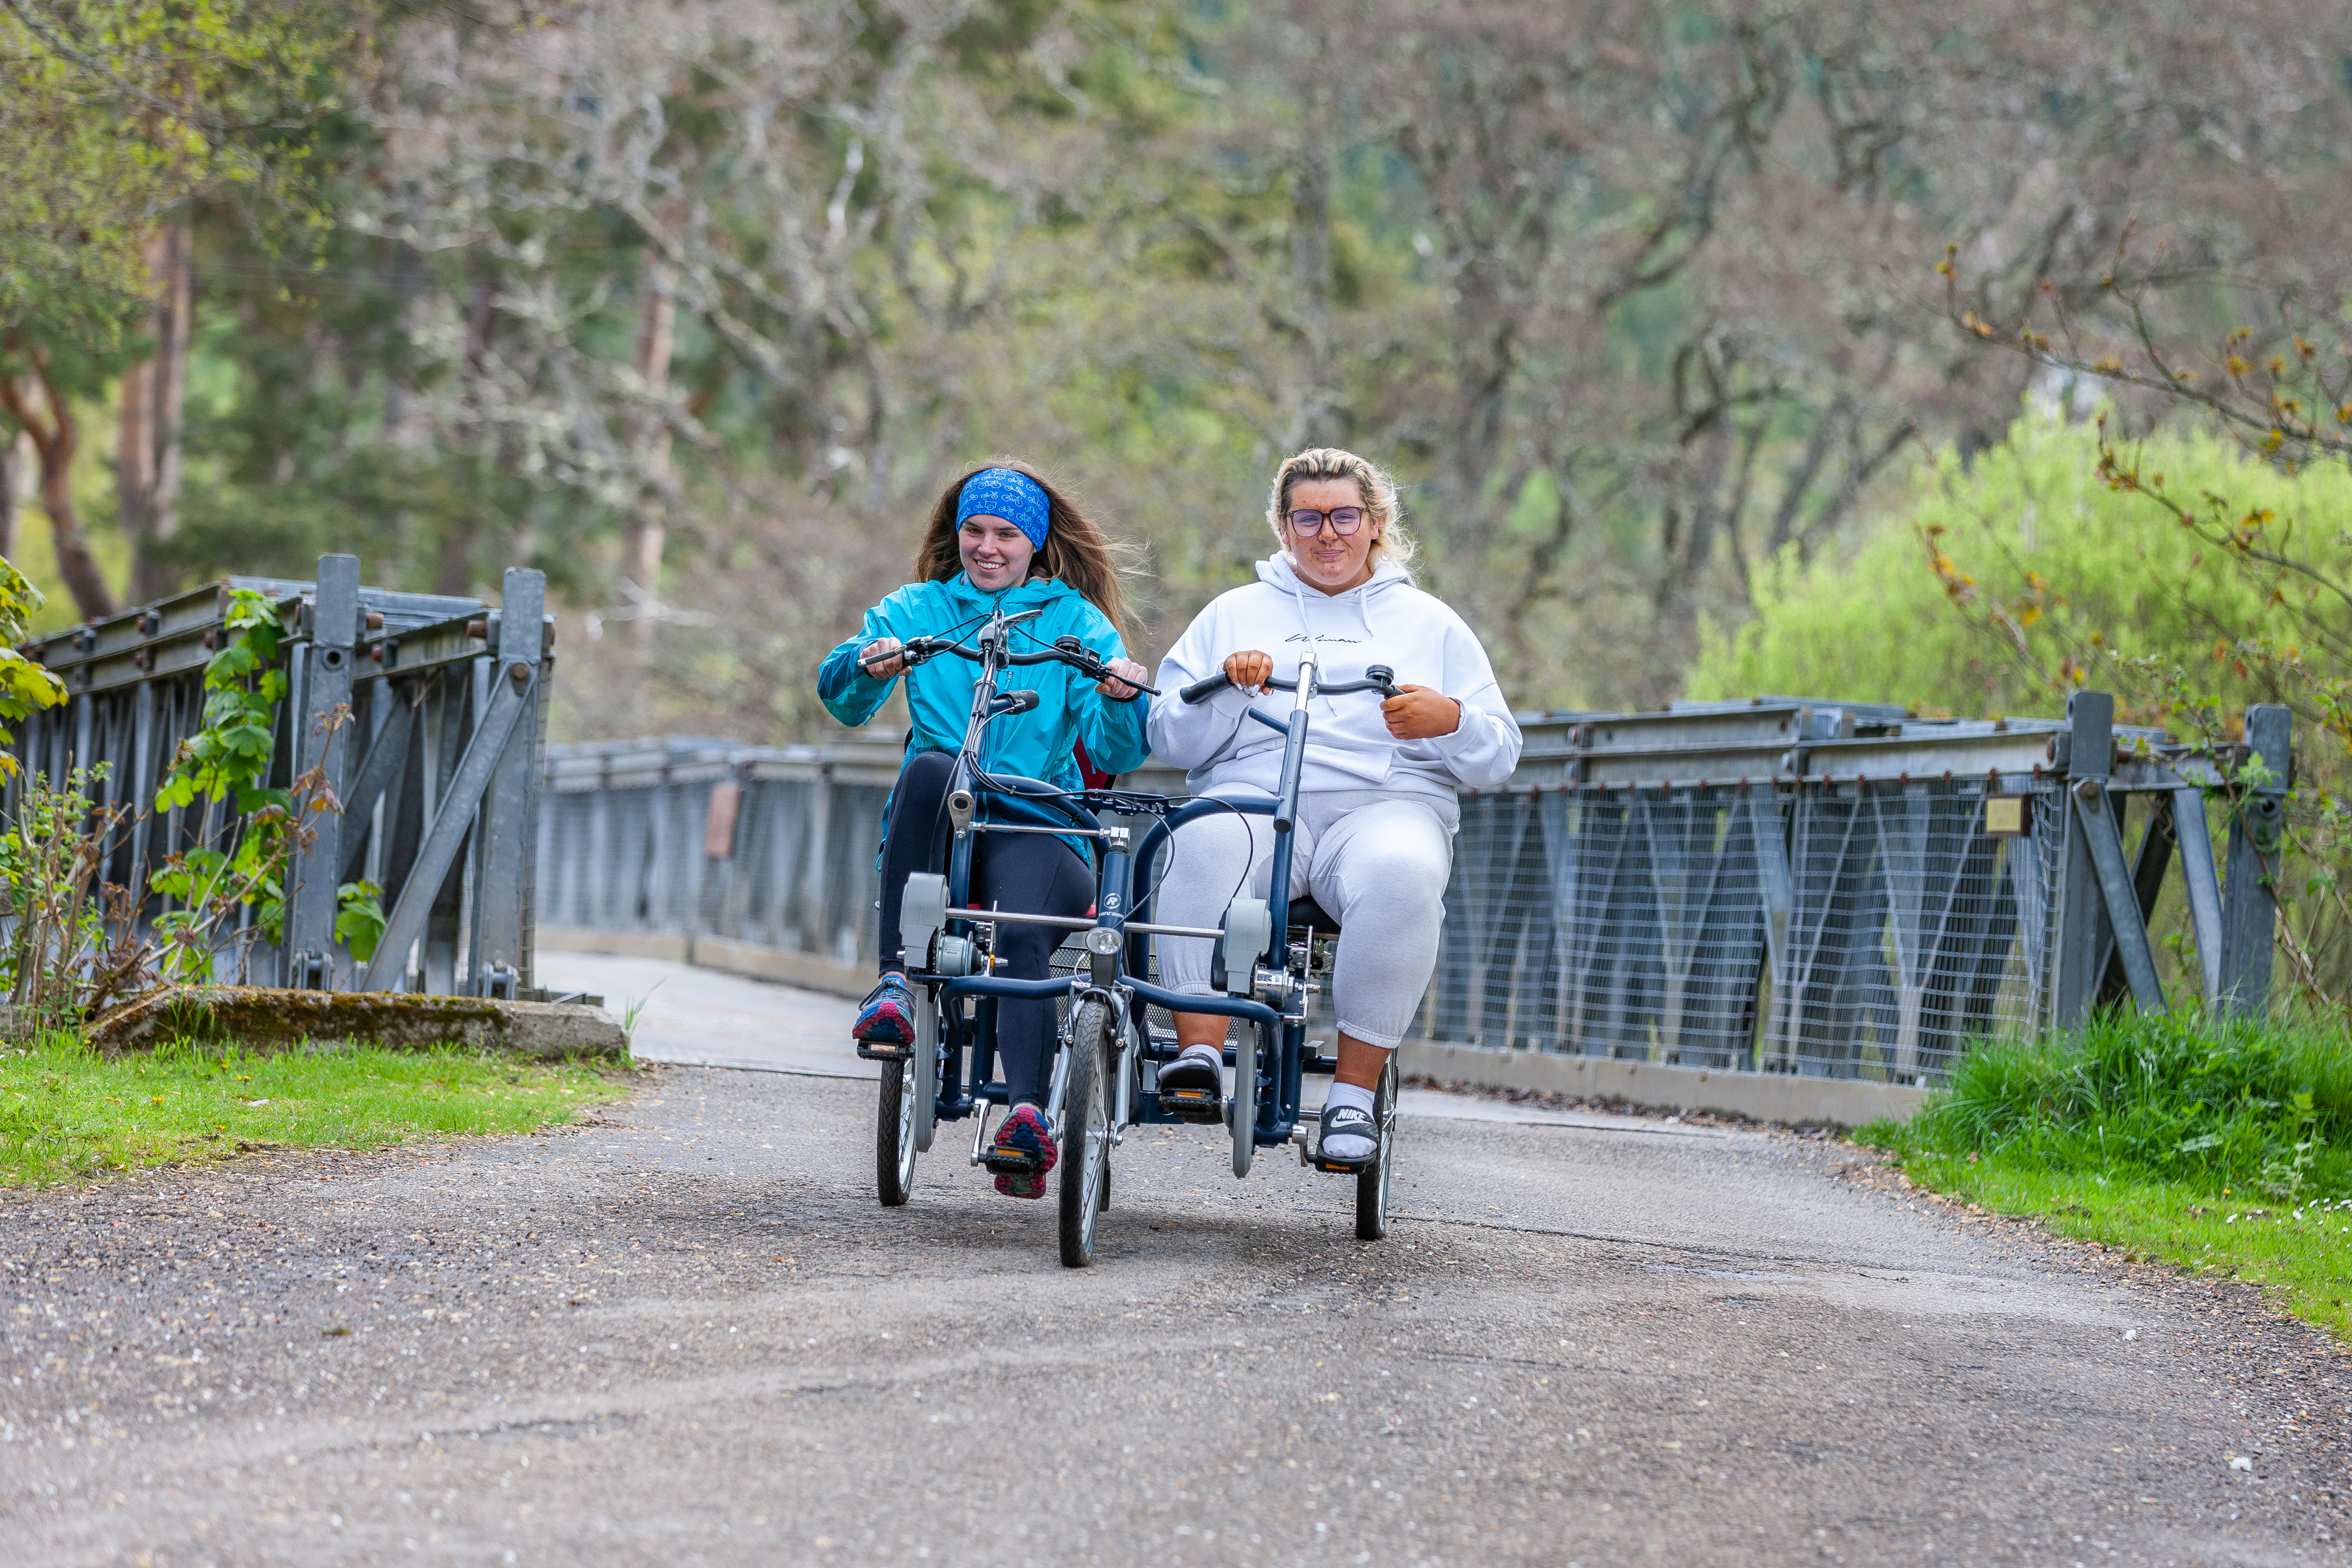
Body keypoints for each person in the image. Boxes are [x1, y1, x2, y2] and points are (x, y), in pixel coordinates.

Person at [1145, 447, 1522, 1165]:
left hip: (1384, 803)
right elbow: (1167, 735)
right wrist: (1225, 692)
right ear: (1283, 529)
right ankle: (1197, 1054)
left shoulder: (1430, 623)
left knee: (1406, 873)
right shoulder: (1233, 612)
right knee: (1197, 838)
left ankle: (1352, 1097)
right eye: (1308, 518)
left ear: (1375, 524)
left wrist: (1450, 721)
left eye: (1344, 516)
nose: (1327, 534)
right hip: (1256, 794)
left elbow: (1498, 753)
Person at [817, 464, 1150, 1197]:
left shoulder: (1076, 622)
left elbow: (1120, 752)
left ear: (1035, 542)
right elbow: (840, 698)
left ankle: (1026, 1114)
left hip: (1040, 824)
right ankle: (896, 986)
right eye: (974, 530)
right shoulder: (917, 608)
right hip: (942, 826)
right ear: (955, 533)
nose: (987, 547)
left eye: (1006, 534)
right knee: (934, 766)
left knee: (1023, 931)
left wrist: (1123, 698)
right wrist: (867, 667)